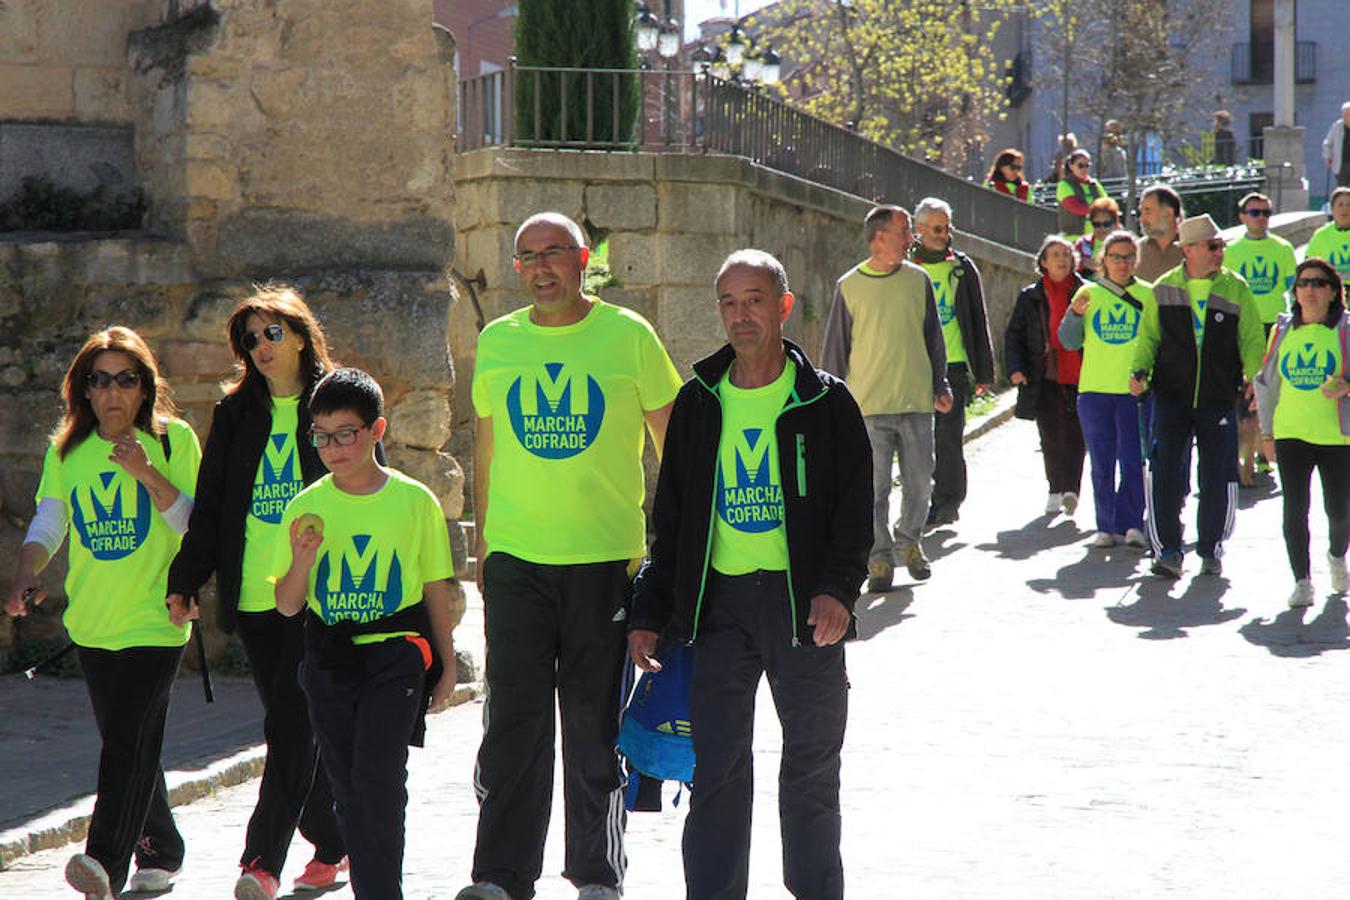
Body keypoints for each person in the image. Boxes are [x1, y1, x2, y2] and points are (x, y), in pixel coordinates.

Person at [629, 249, 871, 900]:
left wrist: (838, 591)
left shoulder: (826, 402)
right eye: (729, 302)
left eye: (755, 299)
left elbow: (855, 512)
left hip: (802, 608)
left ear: (784, 307)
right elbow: (671, 521)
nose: (742, 315)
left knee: (812, 770)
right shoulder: (699, 403)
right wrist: (651, 612)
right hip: (720, 610)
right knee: (719, 773)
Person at [459, 212, 682, 900]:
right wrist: (488, 552)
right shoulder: (498, 342)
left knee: (592, 729)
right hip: (517, 565)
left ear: (585, 259)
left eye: (554, 252)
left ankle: (596, 875)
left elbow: (675, 454)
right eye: (527, 256)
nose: (541, 266)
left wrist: (671, 559)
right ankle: (500, 877)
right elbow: (487, 451)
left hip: (603, 564)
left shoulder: (628, 336)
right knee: (514, 729)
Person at [5, 326, 202, 900]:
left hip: (156, 617)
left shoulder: (174, 441)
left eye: (126, 379)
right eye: (100, 380)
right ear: (84, 390)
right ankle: (161, 848)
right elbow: (49, 520)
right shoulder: (67, 449)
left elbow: (194, 525)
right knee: (131, 740)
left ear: (145, 387)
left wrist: (146, 473)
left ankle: (104, 864)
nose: (113, 391)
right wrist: (26, 571)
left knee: (125, 744)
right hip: (93, 622)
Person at [164, 286, 347, 899]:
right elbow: (212, 506)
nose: (260, 347)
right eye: (250, 338)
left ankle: (260, 862)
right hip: (256, 596)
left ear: (299, 334)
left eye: (271, 333)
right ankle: (334, 840)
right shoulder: (236, 414)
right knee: (296, 721)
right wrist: (186, 579)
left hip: (323, 594)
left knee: (293, 728)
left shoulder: (335, 402)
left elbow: (369, 490)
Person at [273, 367, 458, 900]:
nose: (333, 447)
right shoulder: (305, 505)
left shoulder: (414, 501)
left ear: (376, 431)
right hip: (329, 659)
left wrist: (445, 665)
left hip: (397, 657)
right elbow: (288, 605)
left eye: (345, 434)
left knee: (379, 781)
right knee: (348, 789)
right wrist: (302, 561)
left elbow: (434, 588)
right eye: (321, 436)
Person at [820, 205, 950, 591]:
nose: (911, 238)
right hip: (867, 408)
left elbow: (934, 339)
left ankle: (909, 541)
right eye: (904, 231)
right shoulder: (849, 285)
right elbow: (835, 350)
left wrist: (939, 385)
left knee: (920, 482)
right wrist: (830, 407)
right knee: (872, 489)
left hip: (914, 401)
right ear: (880, 238)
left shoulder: (919, 280)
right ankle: (879, 560)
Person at [1130, 214, 1266, 578]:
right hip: (1170, 396)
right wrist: (1138, 371)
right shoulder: (1163, 287)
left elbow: (1252, 338)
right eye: (1212, 246)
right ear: (1188, 250)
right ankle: (1168, 551)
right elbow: (1148, 339)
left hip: (1219, 396)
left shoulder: (1236, 287)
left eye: (1220, 245)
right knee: (1165, 473)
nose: (1219, 252)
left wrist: (1253, 377)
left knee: (1217, 475)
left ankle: (1211, 549)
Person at [1254, 258, 1350, 607]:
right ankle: (1302, 580)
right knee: (1295, 508)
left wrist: (1347, 386)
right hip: (1291, 432)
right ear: (1294, 291)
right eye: (1303, 283)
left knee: (1339, 511)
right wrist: (1267, 434)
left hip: (1338, 436)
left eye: (1319, 283)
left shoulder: (1345, 329)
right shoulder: (1282, 331)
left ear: (1333, 292)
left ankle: (1337, 557)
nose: (1310, 289)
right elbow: (1266, 384)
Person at [1059, 231, 1156, 548]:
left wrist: (1145, 377)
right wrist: (1074, 315)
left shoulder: (1149, 295)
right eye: (1116, 257)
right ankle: (1105, 525)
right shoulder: (1087, 293)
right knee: (1101, 461)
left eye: (1129, 257)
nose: (1123, 263)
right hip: (1094, 390)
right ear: (1104, 260)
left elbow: (1158, 342)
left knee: (1132, 460)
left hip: (1132, 390)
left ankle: (1132, 524)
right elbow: (1069, 340)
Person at [911, 197, 996, 531]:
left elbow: (977, 318)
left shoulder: (961, 267)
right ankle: (919, 503)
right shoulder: (904, 266)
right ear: (918, 230)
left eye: (947, 227)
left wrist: (984, 370)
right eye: (936, 228)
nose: (944, 234)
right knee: (917, 439)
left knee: (947, 437)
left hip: (953, 365)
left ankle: (947, 502)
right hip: (913, 364)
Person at [1005, 235, 1087, 517]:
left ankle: (1071, 490)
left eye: (1066, 253)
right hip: (1044, 373)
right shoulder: (1031, 296)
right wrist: (1015, 368)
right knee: (1051, 433)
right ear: (1043, 262)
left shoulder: (1086, 292)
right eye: (1055, 254)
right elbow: (1014, 335)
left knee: (1077, 434)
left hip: (1081, 372)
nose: (1062, 259)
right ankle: (1055, 489)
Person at [1224, 192, 1297, 331]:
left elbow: (1295, 289)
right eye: (1254, 212)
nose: (1261, 217)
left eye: (1266, 213)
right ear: (1242, 217)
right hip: (1243, 322)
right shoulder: (1230, 250)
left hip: (1277, 323)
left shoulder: (1284, 248)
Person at [1135, 184, 1185, 282]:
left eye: (1147, 211)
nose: (1141, 219)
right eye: (1141, 212)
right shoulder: (1134, 250)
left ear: (1168, 214)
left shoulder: (1192, 248)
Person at [1056, 149, 1108, 237]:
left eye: (1087, 165)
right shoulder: (1064, 185)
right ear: (1071, 166)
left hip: (1096, 236)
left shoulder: (1094, 184)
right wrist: (1097, 211)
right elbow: (1075, 207)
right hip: (1074, 237)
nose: (1084, 169)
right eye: (1080, 165)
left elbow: (1107, 204)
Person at [1305, 186, 1350, 280]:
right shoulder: (1321, 235)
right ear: (1332, 209)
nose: (1345, 209)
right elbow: (1308, 267)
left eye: (1349, 205)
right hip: (1329, 290)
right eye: (1340, 204)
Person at [1074, 196, 1122, 280]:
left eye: (1106, 224)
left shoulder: (1124, 244)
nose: (1102, 228)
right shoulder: (1083, 243)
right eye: (1097, 224)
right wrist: (1082, 264)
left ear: (1115, 223)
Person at [1321, 101, 1350, 189]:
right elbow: (1328, 143)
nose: (1347, 117)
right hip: (1341, 164)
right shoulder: (1337, 126)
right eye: (1345, 115)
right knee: (1342, 189)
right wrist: (1327, 155)